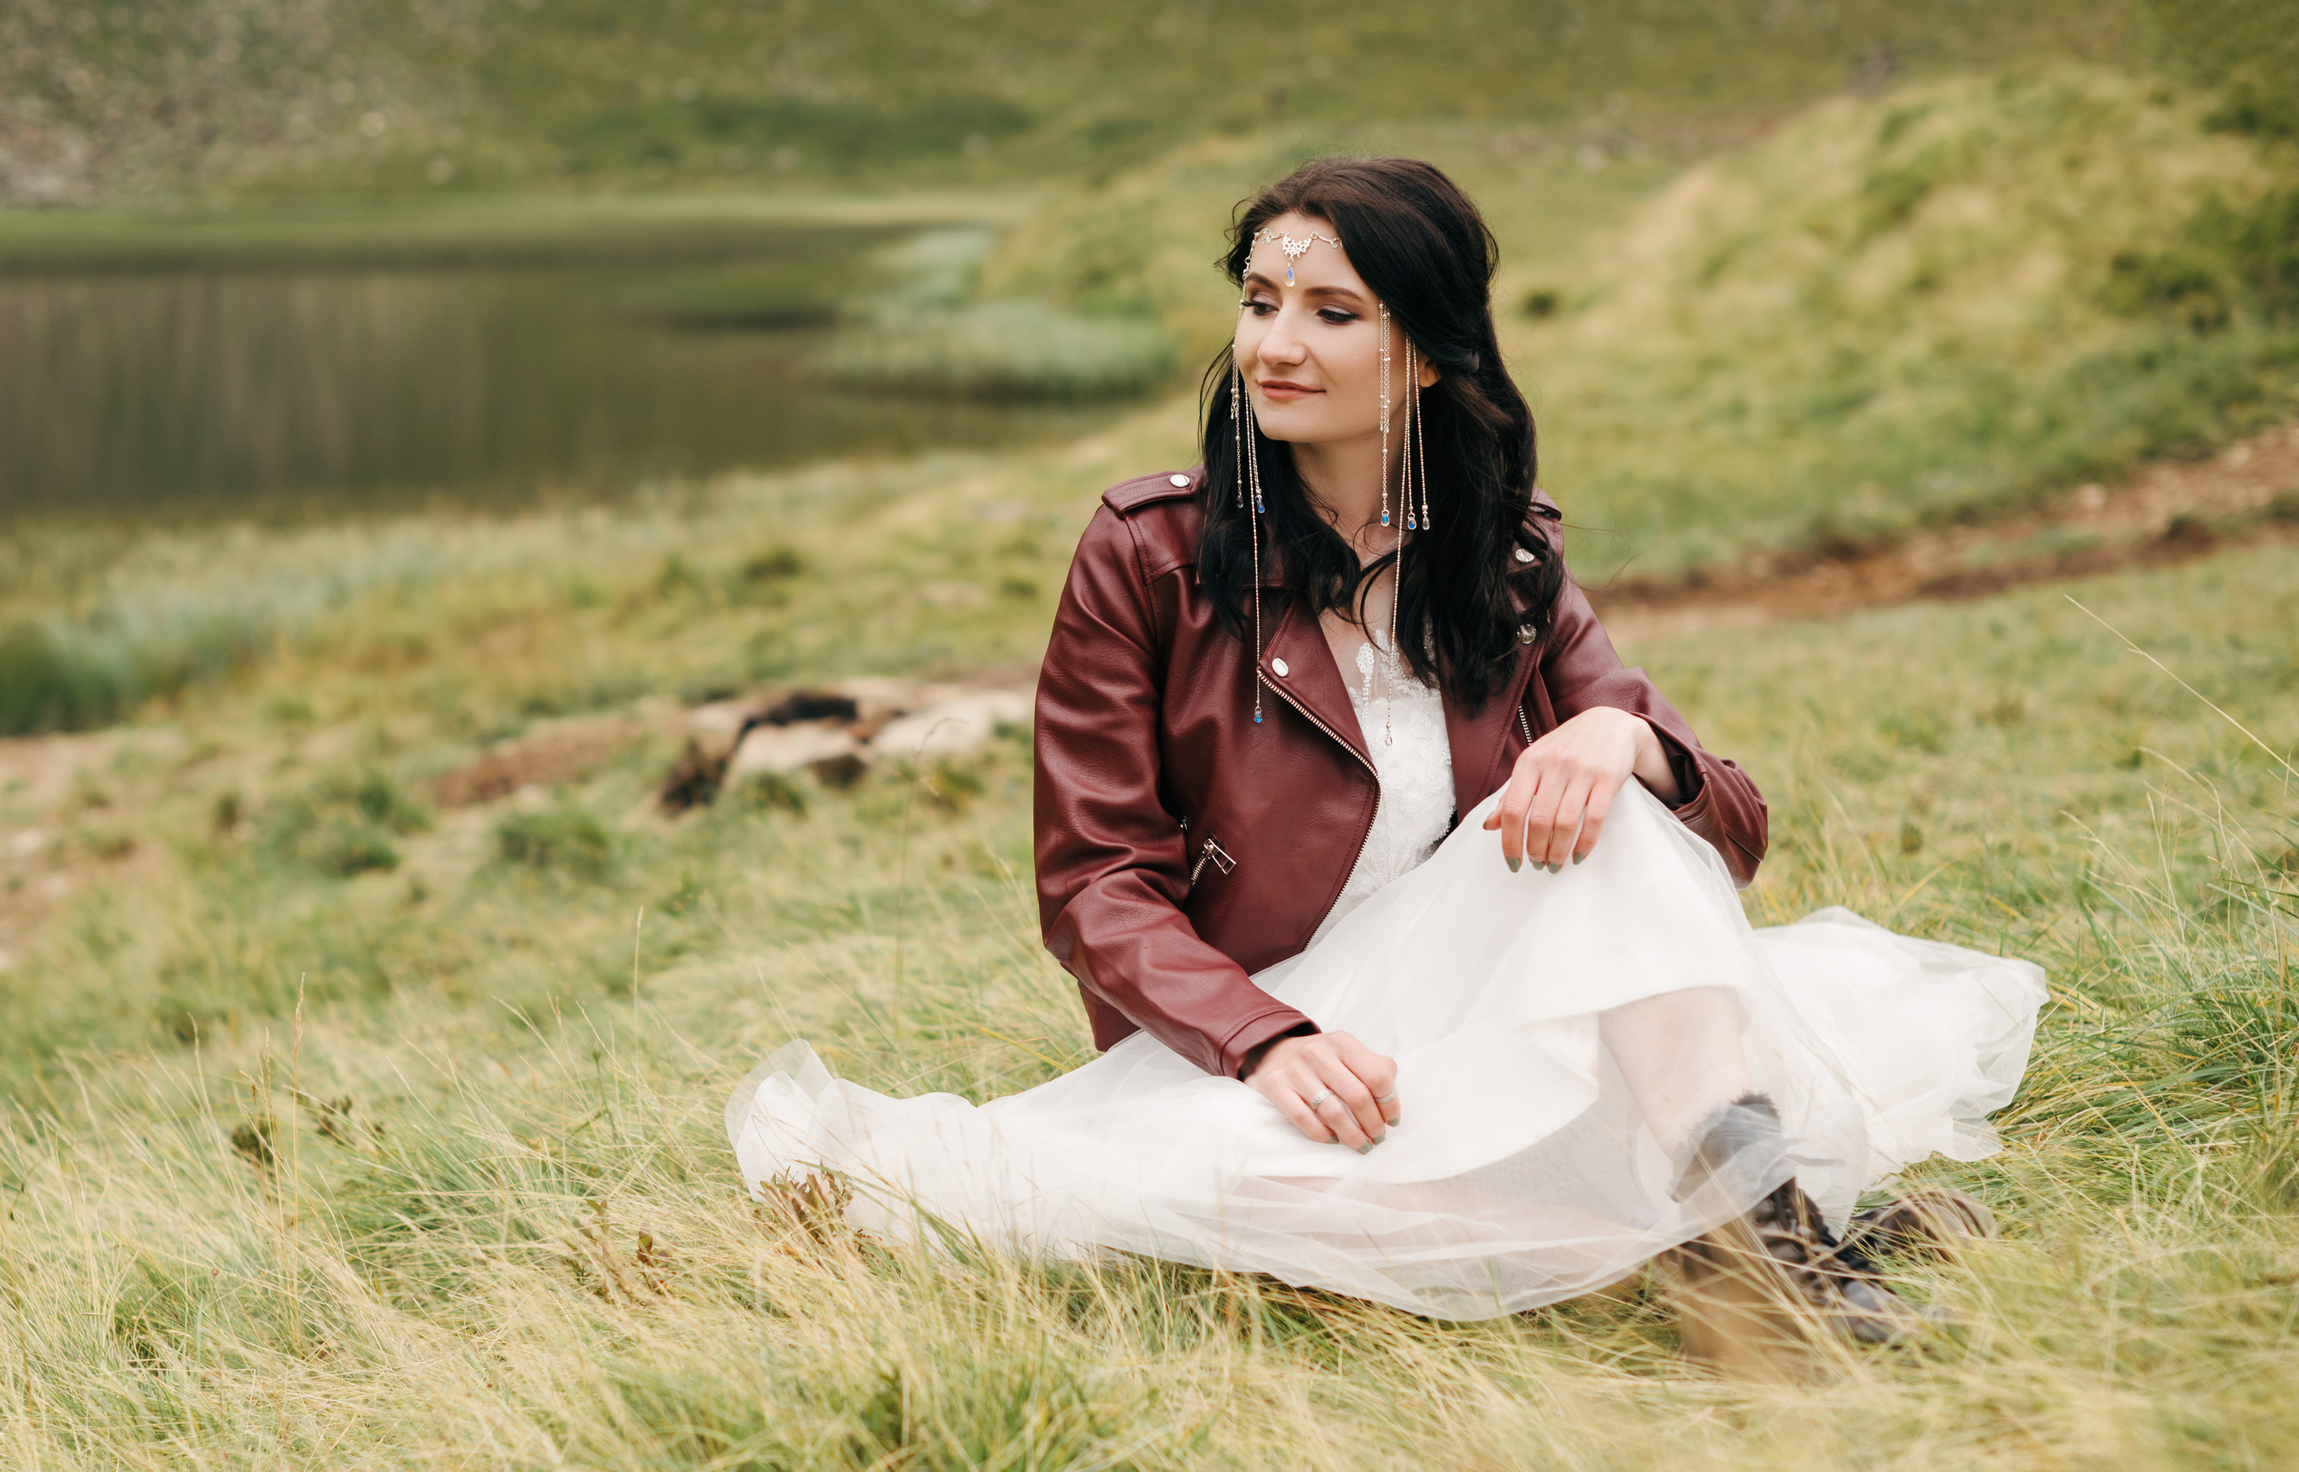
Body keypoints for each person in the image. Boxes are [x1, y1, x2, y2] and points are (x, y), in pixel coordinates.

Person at [727, 157, 2043, 1372]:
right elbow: (1092, 886)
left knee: (1622, 819)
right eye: (1259, 301)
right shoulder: (1148, 553)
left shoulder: (1505, 560)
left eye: (1331, 313)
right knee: (1278, 1209)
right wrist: (1264, 1038)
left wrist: (1622, 738)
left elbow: (1733, 825)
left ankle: (1766, 1256)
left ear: (1425, 355)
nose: (1275, 344)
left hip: (1470, 1007)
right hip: (1265, 1038)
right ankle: (1756, 1236)